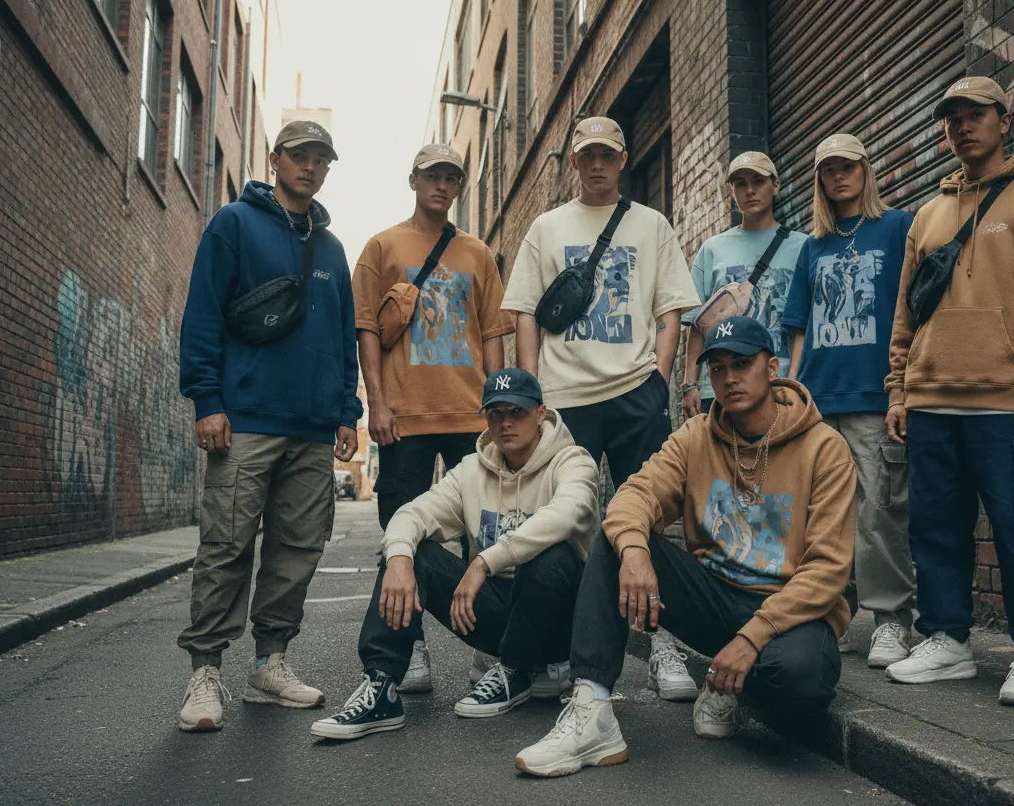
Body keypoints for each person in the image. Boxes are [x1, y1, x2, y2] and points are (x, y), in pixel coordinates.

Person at [515, 317, 856, 777]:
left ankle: (733, 689)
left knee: (804, 681)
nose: (730, 378)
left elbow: (828, 570)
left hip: (786, 612)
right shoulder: (696, 436)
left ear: (772, 367)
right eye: (717, 368)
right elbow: (632, 496)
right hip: (713, 598)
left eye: (742, 363)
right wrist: (636, 552)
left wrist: (750, 639)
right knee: (617, 540)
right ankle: (591, 709)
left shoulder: (825, 448)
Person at [883, 77, 1014, 706]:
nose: (963, 127)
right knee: (935, 529)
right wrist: (898, 388)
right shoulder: (929, 215)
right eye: (953, 119)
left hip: (1006, 402)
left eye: (976, 115)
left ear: (1005, 119)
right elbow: (905, 312)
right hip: (932, 400)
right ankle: (946, 638)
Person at [501, 116, 701, 700]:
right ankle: (563, 647)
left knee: (655, 517)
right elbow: (525, 312)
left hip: (636, 391)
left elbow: (671, 311)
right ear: (573, 162)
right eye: (586, 156)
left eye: (606, 156)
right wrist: (535, 389)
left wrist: (658, 379)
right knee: (566, 521)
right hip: (565, 399)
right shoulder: (546, 226)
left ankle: (662, 641)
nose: (596, 166)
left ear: (622, 160)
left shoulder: (651, 224)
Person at [176, 121, 361, 732]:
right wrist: (207, 400)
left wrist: (346, 412)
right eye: (300, 156)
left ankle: (269, 664)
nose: (310, 167)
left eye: (320, 159)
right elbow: (202, 312)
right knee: (227, 543)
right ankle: (206, 672)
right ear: (276, 159)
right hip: (246, 419)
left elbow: (341, 338)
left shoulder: (332, 250)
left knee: (297, 550)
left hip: (312, 429)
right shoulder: (234, 224)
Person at [310, 369, 599, 739]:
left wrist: (484, 561)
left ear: (541, 413)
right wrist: (399, 557)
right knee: (412, 553)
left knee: (550, 556)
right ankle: (381, 685)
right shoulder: (471, 470)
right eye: (496, 414)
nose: (506, 423)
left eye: (518, 412)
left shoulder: (573, 461)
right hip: (500, 615)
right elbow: (413, 513)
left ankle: (516, 668)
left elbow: (569, 513)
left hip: (562, 621)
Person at [347, 143, 512, 695]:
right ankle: (409, 641)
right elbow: (367, 329)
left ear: (458, 187)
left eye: (451, 178)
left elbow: (492, 335)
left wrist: (497, 407)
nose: (441, 185)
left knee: (481, 533)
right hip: (406, 417)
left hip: (470, 414)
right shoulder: (382, 246)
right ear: (413, 180)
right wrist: (378, 403)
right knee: (404, 533)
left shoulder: (478, 254)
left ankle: (486, 645)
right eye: (432, 176)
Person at [783, 134, 916, 668]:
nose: (839, 177)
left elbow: (914, 312)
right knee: (820, 518)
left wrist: (903, 386)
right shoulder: (812, 247)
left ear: (865, 169)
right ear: (819, 180)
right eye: (829, 170)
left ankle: (889, 621)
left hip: (873, 394)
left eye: (848, 166)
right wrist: (792, 396)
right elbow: (798, 330)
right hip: (819, 398)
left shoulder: (898, 228)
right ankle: (826, 613)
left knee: (879, 512)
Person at [682, 151, 808, 418]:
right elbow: (698, 324)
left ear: (775, 186)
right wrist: (691, 383)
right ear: (732, 191)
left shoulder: (802, 246)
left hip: (780, 383)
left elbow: (804, 326)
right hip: (719, 388)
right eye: (740, 184)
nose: (749, 191)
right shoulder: (712, 249)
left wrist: (796, 382)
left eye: (758, 181)